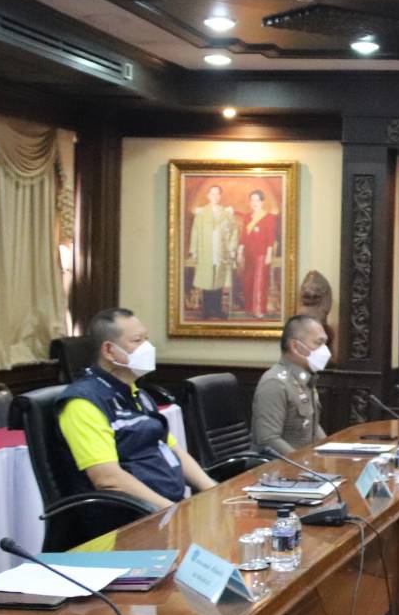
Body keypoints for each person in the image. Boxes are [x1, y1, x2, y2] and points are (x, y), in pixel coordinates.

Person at [57, 308, 216, 509]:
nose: (147, 347)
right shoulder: (83, 402)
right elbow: (108, 478)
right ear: (109, 351)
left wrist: (214, 491)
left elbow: (171, 448)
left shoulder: (137, 394)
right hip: (129, 516)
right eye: (137, 340)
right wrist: (172, 512)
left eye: (146, 339)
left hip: (166, 507)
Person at [253, 315, 330, 455]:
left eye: (325, 343)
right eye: (318, 343)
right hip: (277, 465)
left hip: (304, 462)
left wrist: (330, 451)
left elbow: (312, 427)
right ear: (295, 347)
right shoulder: (275, 383)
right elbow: (268, 441)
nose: (324, 350)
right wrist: (302, 464)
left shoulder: (305, 380)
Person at [190, 184, 240, 320]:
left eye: (217, 194)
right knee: (206, 280)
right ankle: (207, 311)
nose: (215, 196)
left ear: (220, 196)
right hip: (206, 251)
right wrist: (194, 249)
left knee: (218, 280)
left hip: (221, 252)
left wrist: (232, 248)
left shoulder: (227, 213)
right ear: (208, 196)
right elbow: (195, 232)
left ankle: (217, 310)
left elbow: (234, 231)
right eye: (212, 193)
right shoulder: (201, 213)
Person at [237, 188, 279, 319]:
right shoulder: (247, 217)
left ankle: (259, 309)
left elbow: (270, 238)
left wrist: (269, 254)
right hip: (248, 254)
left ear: (262, 202)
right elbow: (243, 236)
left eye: (257, 200)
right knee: (248, 281)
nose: (254, 203)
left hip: (262, 254)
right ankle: (249, 308)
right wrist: (240, 251)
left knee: (259, 283)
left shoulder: (269, 217)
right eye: (252, 200)